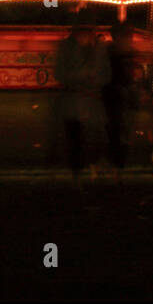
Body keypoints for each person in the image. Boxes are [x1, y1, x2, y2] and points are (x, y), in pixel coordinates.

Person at [52, 19, 110, 183]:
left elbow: (106, 73)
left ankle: (91, 170)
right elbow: (59, 73)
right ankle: (78, 172)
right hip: (76, 102)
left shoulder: (98, 49)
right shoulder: (68, 48)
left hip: (89, 101)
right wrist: (81, 77)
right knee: (75, 138)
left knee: (94, 137)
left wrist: (96, 80)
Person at [102, 23, 138, 179]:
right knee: (117, 129)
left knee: (117, 130)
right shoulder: (118, 53)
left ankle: (117, 164)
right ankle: (118, 164)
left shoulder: (113, 52)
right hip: (115, 96)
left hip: (116, 95)